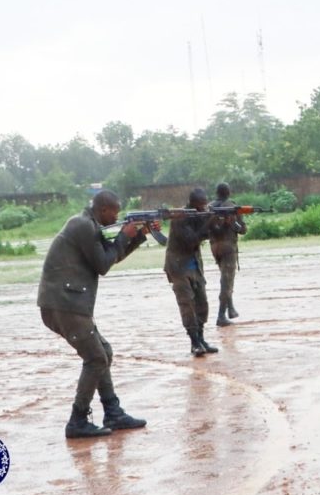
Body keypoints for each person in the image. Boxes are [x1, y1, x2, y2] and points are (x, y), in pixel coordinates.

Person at [38, 190, 152, 438]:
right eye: (115, 211)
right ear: (103, 209)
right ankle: (77, 420)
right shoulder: (83, 226)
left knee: (103, 353)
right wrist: (124, 235)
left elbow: (109, 257)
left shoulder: (88, 224)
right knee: (96, 358)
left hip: (68, 302)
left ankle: (113, 412)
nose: (117, 215)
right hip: (64, 304)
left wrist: (138, 236)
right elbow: (102, 265)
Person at [167, 188, 220, 356]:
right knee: (187, 305)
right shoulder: (180, 218)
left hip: (195, 266)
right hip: (178, 267)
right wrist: (209, 220)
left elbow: (211, 233)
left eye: (205, 205)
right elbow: (191, 240)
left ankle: (201, 338)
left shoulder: (198, 216)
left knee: (202, 303)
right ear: (192, 204)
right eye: (201, 206)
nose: (203, 208)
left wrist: (221, 221)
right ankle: (194, 342)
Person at [209, 183, 247, 327]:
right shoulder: (232, 206)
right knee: (227, 282)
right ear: (228, 192)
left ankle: (230, 308)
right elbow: (242, 230)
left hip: (215, 247)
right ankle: (221, 315)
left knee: (225, 277)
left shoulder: (209, 207)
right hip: (228, 247)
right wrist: (233, 224)